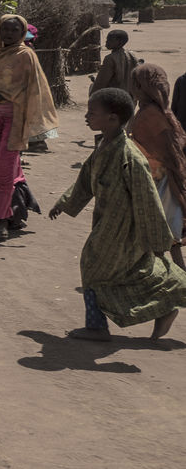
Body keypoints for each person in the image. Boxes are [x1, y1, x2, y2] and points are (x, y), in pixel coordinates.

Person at [50, 88, 186, 341]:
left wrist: (157, 239)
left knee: (93, 266)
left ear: (112, 118)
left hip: (123, 227)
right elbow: (86, 178)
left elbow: (147, 198)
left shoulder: (130, 156)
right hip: (106, 221)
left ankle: (98, 327)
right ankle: (163, 308)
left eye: (92, 113)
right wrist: (65, 202)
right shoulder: (104, 146)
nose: (86, 117)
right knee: (123, 271)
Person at [0, 13, 58, 240]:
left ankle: (2, 220)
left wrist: (3, 97)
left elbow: (32, 88)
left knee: (4, 172)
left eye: (14, 30)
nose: (8, 33)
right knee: (2, 169)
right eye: (4, 29)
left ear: (23, 33)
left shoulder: (26, 55)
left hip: (16, 119)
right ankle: (16, 212)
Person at [128, 64, 186, 269]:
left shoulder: (150, 115)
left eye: (135, 84)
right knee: (166, 233)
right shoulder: (156, 111)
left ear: (143, 88)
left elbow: (165, 150)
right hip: (159, 177)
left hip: (158, 179)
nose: (132, 88)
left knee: (160, 229)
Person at [90, 29, 137, 97]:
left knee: (92, 87)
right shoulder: (132, 55)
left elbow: (101, 82)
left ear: (120, 42)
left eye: (110, 40)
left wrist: (93, 96)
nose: (106, 42)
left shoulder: (110, 59)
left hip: (114, 96)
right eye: (107, 39)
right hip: (130, 96)